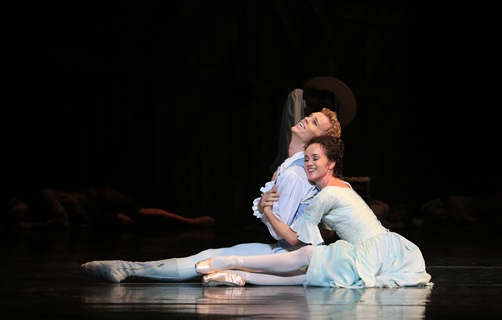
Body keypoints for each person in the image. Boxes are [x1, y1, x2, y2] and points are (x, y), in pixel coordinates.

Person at [81, 108, 343, 283]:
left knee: (212, 261)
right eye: (310, 115)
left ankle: (129, 270)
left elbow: (280, 232)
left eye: (315, 122)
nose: (307, 119)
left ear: (318, 140)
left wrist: (266, 211)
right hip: (285, 250)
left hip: (293, 257)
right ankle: (129, 268)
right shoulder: (289, 166)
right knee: (210, 253)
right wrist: (266, 209)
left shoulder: (296, 173)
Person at [195, 135, 433, 288]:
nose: (309, 163)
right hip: (383, 247)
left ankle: (229, 262)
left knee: (308, 256)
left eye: (316, 158)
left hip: (375, 252)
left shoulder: (327, 194)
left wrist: (267, 211)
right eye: (306, 158)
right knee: (313, 273)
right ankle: (238, 276)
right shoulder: (341, 186)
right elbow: (328, 232)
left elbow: (290, 238)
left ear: (330, 164)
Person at [3, 186, 216, 230]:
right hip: (95, 214)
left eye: (17, 210)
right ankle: (178, 227)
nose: (20, 214)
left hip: (98, 198)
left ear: (18, 201)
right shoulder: (40, 212)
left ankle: (190, 222)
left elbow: (61, 219)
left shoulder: (44, 194)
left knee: (140, 213)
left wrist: (29, 226)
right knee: (129, 222)